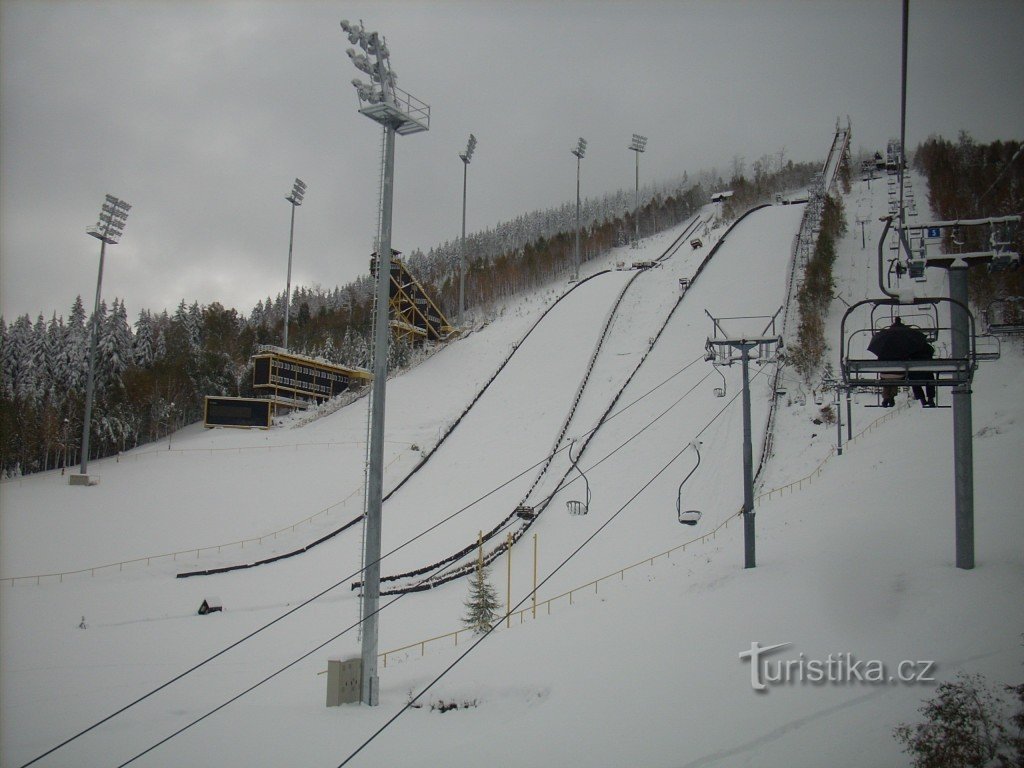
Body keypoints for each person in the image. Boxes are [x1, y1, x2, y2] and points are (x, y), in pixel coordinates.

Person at [867, 317, 937, 408]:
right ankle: (929, 398)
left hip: (887, 374)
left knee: (889, 379)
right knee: (925, 378)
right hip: (908, 373)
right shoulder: (911, 346)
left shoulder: (883, 349)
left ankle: (888, 398)